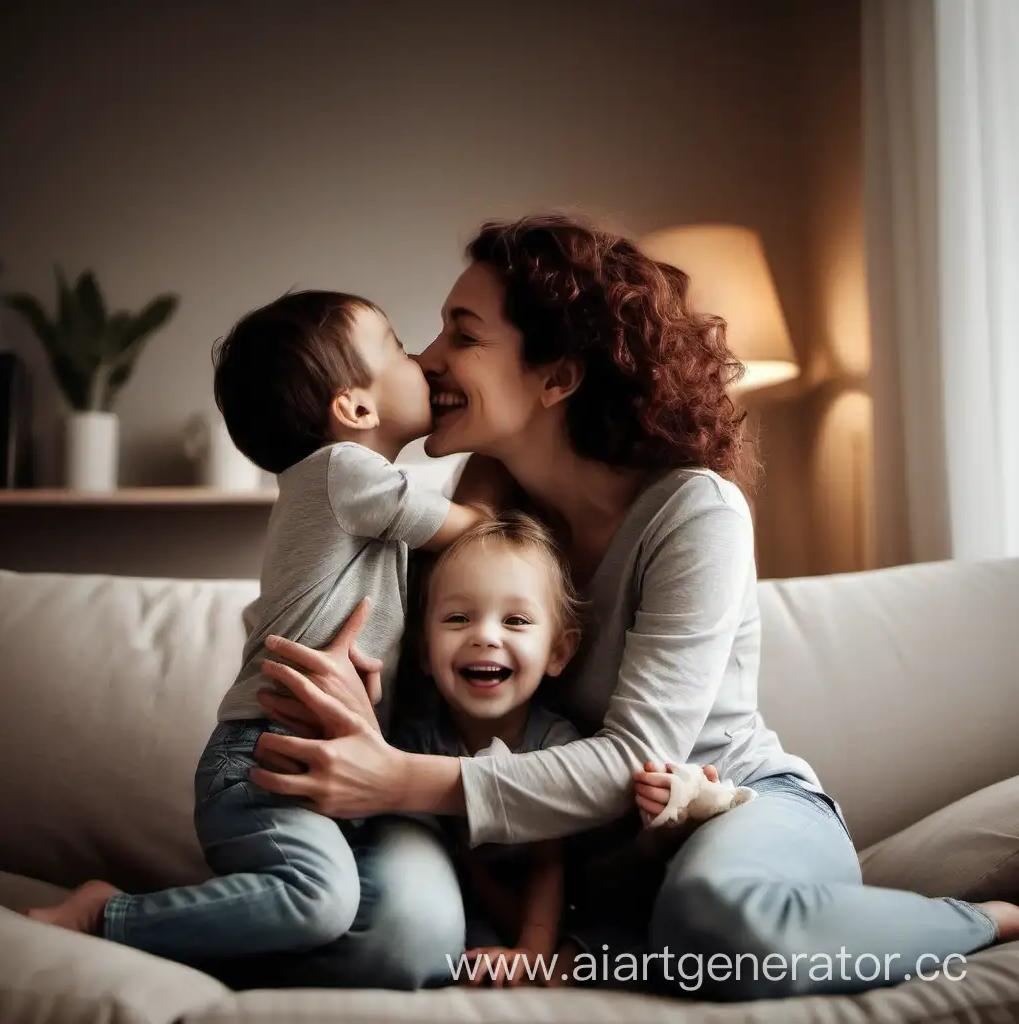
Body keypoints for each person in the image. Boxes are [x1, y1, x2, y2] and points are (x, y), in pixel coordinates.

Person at [249, 214, 1019, 999]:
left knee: (722, 915)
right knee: (411, 938)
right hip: (570, 862)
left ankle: (977, 922)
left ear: (558, 378)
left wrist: (399, 780)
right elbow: (418, 692)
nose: (427, 358)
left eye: (464, 335)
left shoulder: (697, 513)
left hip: (728, 808)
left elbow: (629, 760)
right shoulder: (477, 518)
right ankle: (601, 947)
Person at [27, 290, 490, 976]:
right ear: (355, 408)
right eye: (395, 345)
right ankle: (109, 915)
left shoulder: (351, 486)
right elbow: (475, 527)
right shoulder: (345, 472)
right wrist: (504, 464)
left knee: (366, 919)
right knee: (318, 902)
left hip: (326, 763)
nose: (421, 357)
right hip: (265, 762)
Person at [395, 510, 582, 986]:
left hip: (553, 913)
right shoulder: (416, 744)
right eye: (458, 618)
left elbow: (549, 864)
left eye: (516, 620)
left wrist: (531, 952)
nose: (485, 636)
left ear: (558, 652)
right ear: (423, 651)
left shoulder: (557, 746)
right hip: (458, 912)